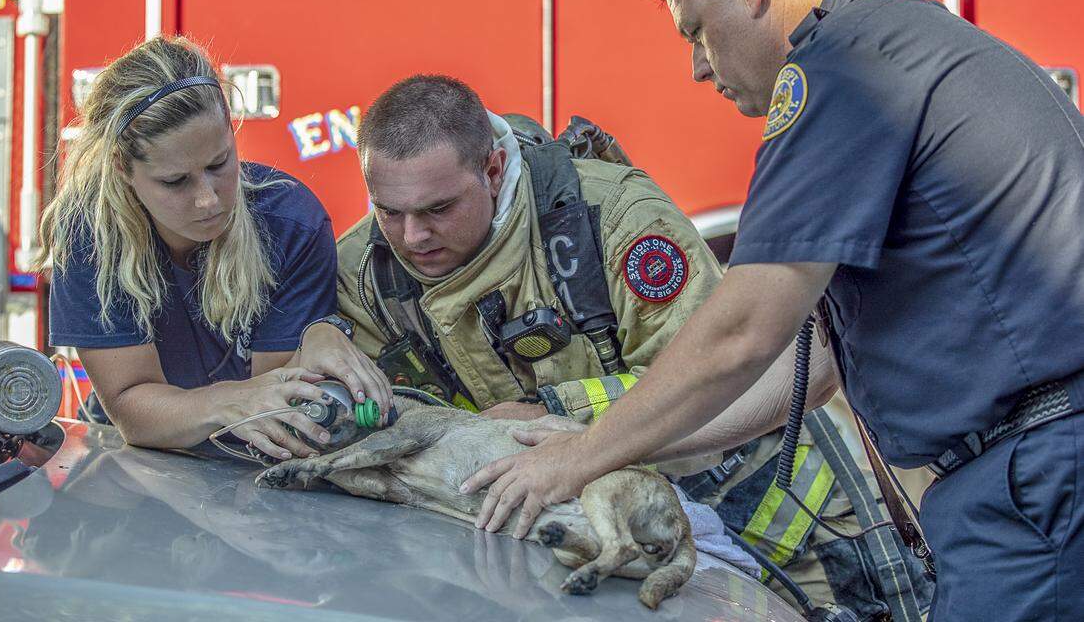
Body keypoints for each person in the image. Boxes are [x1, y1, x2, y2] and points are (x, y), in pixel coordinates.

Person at [459, 0, 1084, 621]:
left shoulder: (840, 70)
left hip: (1034, 477)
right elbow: (807, 365)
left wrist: (581, 459)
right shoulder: (898, 38)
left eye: (697, 31)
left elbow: (743, 329)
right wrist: (613, 441)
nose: (698, 67)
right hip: (1040, 468)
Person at [300, 74, 929, 617]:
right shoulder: (365, 274)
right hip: (579, 555)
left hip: (789, 533)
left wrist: (558, 417)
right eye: (389, 211)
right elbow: (386, 416)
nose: (412, 236)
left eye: (438, 208)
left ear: (493, 168)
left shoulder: (615, 220)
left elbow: (726, 380)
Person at [39, 36, 391, 460]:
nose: (208, 200)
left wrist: (318, 337)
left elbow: (278, 410)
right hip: (137, 460)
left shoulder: (291, 221)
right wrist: (228, 400)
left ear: (231, 130)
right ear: (122, 167)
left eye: (219, 164)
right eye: (175, 181)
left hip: (249, 464)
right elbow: (132, 410)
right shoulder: (89, 233)